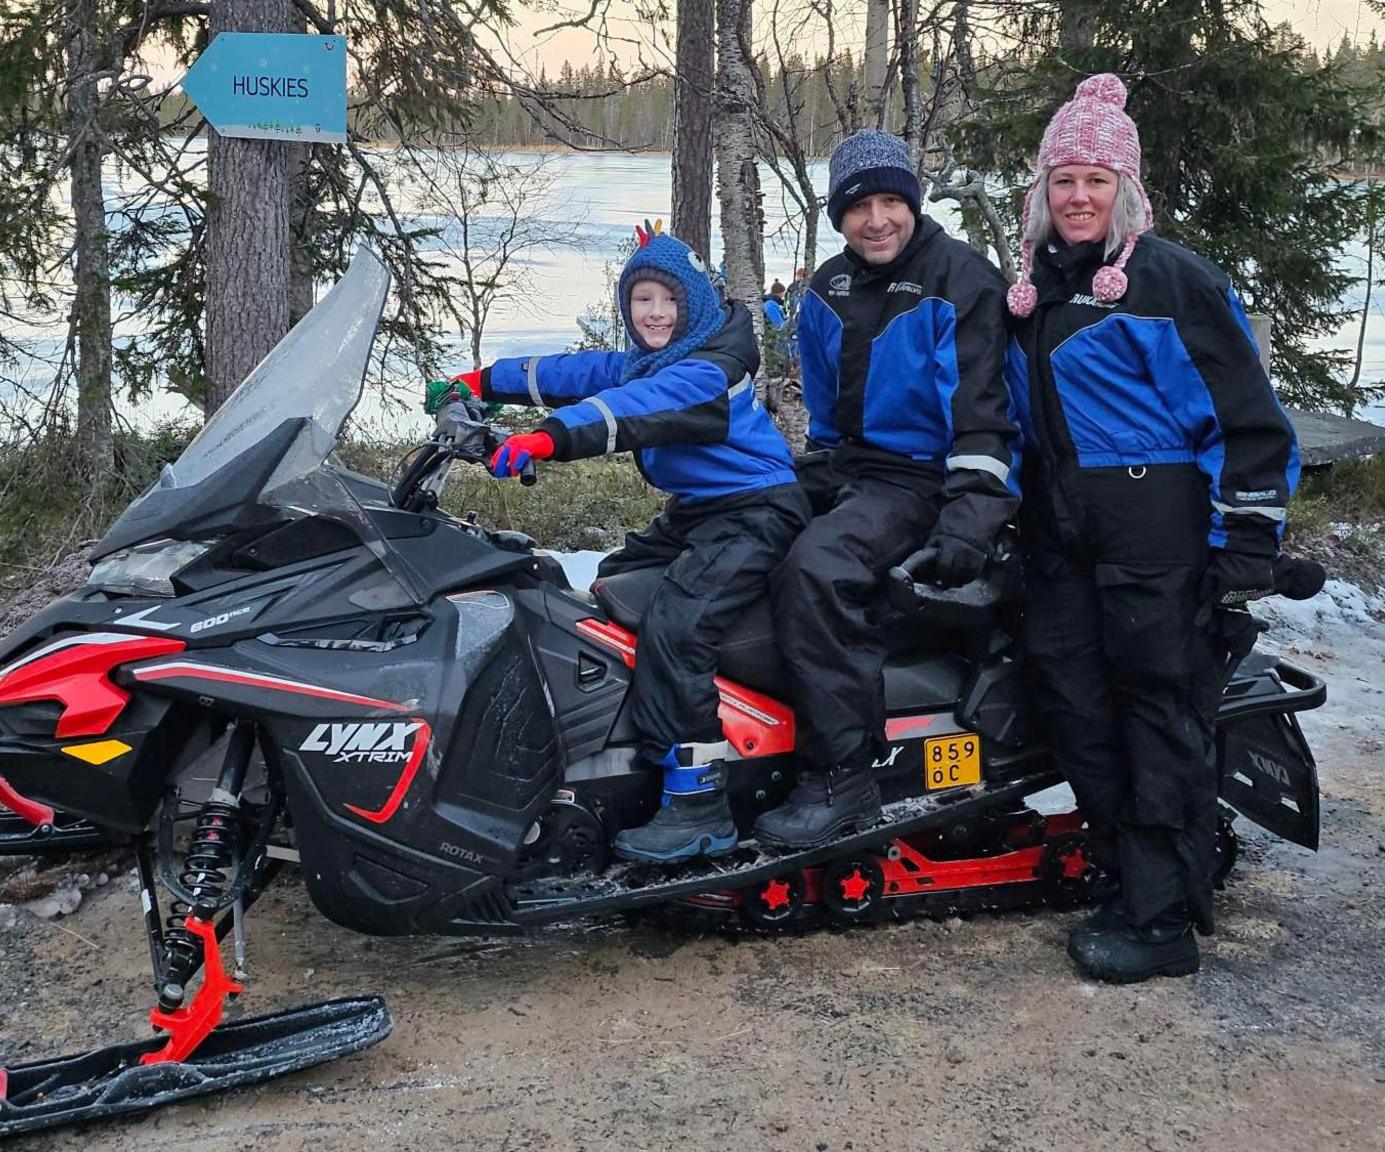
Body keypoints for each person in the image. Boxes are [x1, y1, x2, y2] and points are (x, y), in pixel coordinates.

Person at [1003, 74, 1299, 983]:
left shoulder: (1171, 282)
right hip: (1058, 534)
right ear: (1043, 194)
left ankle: (1163, 919)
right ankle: (1126, 871)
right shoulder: (1036, 290)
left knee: (1156, 711)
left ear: (1125, 189)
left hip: (1154, 531)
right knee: (1077, 709)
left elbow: (1251, 421)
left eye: (1096, 179)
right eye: (1064, 180)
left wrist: (1246, 539)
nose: (1079, 196)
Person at [425, 223, 807, 863]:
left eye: (669, 301)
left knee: (679, 624)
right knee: (608, 596)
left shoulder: (710, 370)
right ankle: (623, 755)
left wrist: (544, 439)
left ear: (696, 307)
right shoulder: (648, 357)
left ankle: (700, 798)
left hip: (757, 511)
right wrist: (480, 380)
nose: (655, 314)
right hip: (699, 512)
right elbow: (572, 372)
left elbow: (627, 410)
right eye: (641, 301)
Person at [751, 130, 1019, 849]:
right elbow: (825, 411)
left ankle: (841, 775)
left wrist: (970, 520)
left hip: (927, 478)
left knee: (819, 569)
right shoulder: (827, 288)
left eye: (892, 202)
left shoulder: (961, 281)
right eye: (860, 205)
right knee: (738, 515)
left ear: (912, 203)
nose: (878, 219)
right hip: (851, 465)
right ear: (839, 215)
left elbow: (984, 416)